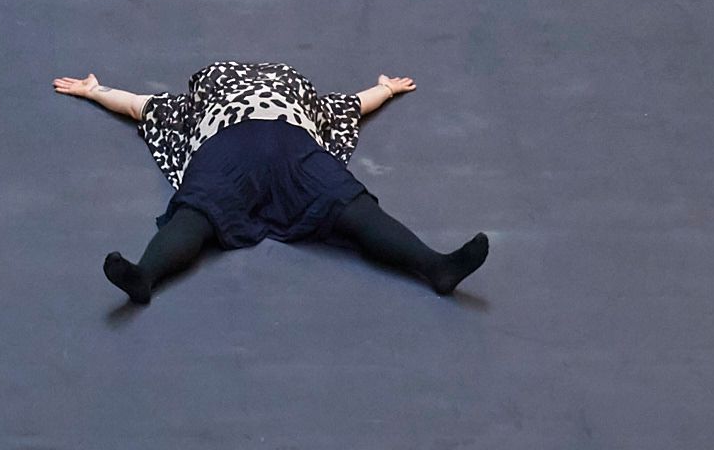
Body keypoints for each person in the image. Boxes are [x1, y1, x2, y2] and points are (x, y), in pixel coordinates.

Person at [54, 63, 485, 303]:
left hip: (286, 147)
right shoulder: (193, 104)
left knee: (351, 204)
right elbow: (137, 104)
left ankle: (437, 267)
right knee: (197, 212)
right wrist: (95, 91)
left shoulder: (304, 102)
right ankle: (144, 276)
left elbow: (352, 104)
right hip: (234, 148)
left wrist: (385, 90)